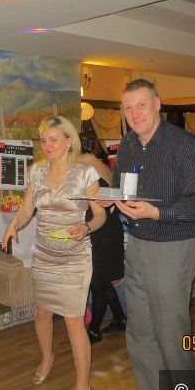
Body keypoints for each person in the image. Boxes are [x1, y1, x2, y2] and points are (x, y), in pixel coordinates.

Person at [98, 79, 195, 390]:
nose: (135, 114)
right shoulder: (129, 144)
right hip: (136, 245)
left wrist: (157, 212)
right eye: (128, 108)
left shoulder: (184, 145)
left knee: (172, 340)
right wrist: (108, 198)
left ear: (157, 104)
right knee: (140, 337)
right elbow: (123, 187)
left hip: (171, 250)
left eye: (141, 105)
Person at [2, 115, 106, 390]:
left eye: (54, 140)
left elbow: (100, 215)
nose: (47, 145)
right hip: (44, 254)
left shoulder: (85, 173)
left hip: (74, 257)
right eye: (44, 140)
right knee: (42, 313)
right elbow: (26, 211)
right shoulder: (36, 172)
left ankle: (83, 387)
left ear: (69, 141)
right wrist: (13, 225)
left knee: (74, 320)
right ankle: (47, 358)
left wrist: (85, 227)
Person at [77, 134, 126, 344]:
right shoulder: (102, 164)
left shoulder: (86, 164)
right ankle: (120, 318)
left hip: (101, 229)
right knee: (102, 280)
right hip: (107, 228)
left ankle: (94, 330)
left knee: (97, 280)